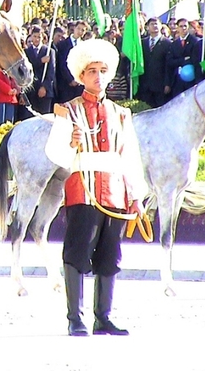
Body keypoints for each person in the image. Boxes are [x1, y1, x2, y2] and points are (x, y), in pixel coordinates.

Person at [61, 39, 147, 337]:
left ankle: (103, 318)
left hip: (115, 192)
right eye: (92, 71)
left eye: (103, 70)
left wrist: (136, 197)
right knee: (77, 252)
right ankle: (75, 318)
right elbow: (56, 156)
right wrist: (68, 142)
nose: (98, 76)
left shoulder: (122, 113)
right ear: (80, 76)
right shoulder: (68, 111)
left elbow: (130, 156)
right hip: (81, 190)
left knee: (110, 255)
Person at [19, 26, 55, 120]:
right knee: (28, 119)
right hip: (31, 91)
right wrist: (40, 61)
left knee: (43, 119)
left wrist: (44, 87)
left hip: (44, 91)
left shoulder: (49, 51)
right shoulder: (26, 52)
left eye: (39, 37)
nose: (36, 39)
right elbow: (26, 68)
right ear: (31, 37)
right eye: (35, 36)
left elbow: (51, 72)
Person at [138, 17, 172, 107]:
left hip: (160, 85)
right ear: (147, 27)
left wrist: (167, 83)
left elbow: (168, 65)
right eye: (152, 24)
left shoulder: (168, 43)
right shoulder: (142, 43)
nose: (155, 26)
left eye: (157, 23)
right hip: (145, 84)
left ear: (161, 26)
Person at [55, 20, 89, 103]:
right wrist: (70, 79)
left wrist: (79, 79)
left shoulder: (84, 45)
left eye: (83, 30)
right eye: (78, 28)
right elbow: (62, 64)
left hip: (79, 84)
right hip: (65, 84)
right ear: (74, 28)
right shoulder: (62, 44)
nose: (80, 31)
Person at [167, 18, 199, 100]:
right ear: (177, 28)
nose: (183, 28)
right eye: (181, 26)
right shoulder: (174, 44)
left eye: (185, 26)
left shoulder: (195, 41)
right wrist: (183, 60)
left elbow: (195, 59)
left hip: (191, 80)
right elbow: (170, 62)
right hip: (177, 81)